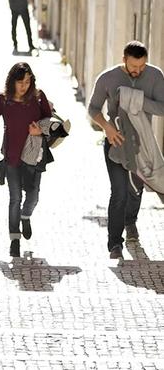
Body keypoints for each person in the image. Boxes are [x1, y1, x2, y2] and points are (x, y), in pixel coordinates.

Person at [87, 41, 164, 259]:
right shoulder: (107, 78)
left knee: (135, 191)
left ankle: (131, 223)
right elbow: (93, 108)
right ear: (124, 59)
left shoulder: (155, 76)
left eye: (142, 66)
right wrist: (107, 127)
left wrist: (137, 99)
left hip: (143, 145)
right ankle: (114, 244)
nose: (138, 71)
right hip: (116, 142)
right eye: (133, 66)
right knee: (119, 192)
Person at [0, 62, 52, 258]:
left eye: (27, 81)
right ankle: (14, 239)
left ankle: (26, 216)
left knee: (33, 197)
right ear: (12, 81)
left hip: (34, 157)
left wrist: (40, 130)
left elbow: (50, 121)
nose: (24, 86)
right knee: (15, 198)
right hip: (12, 156)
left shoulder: (38, 97)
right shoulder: (2, 99)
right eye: (20, 82)